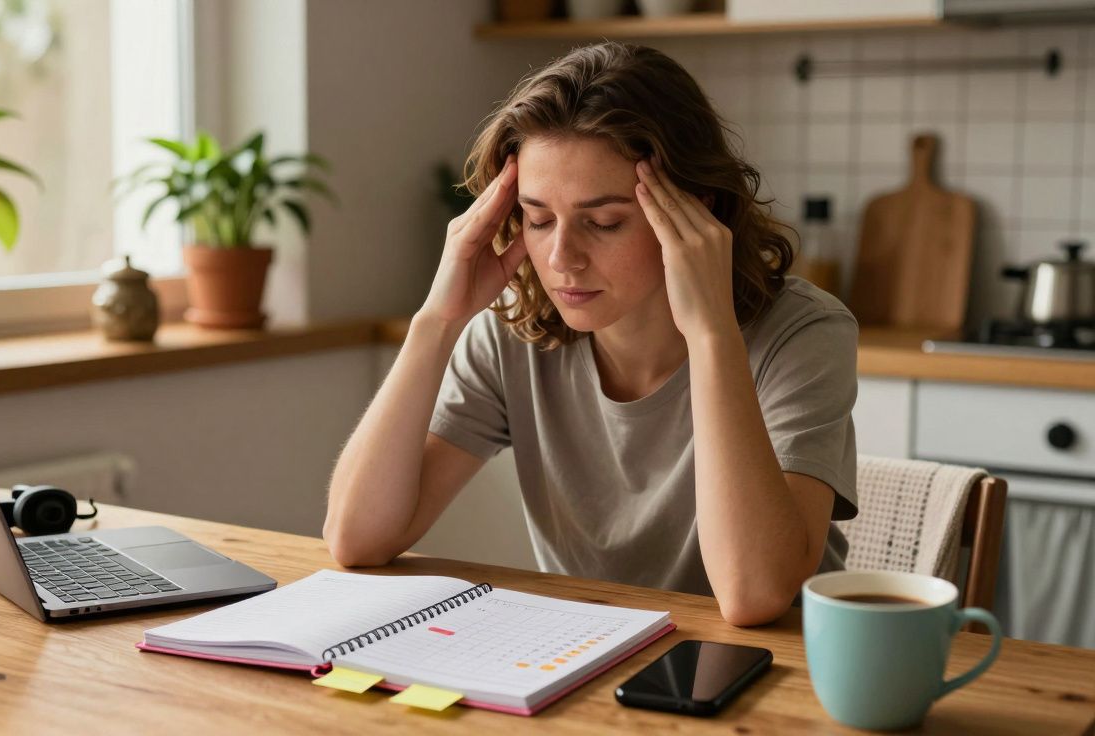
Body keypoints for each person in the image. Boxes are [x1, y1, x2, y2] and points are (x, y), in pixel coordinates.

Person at [323, 42, 858, 626]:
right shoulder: (512, 333)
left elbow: (754, 595)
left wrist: (711, 338)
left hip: (775, 678)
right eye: (538, 219)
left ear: (694, 213)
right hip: (585, 661)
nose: (562, 259)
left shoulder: (803, 334)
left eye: (603, 222)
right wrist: (437, 321)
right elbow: (356, 539)